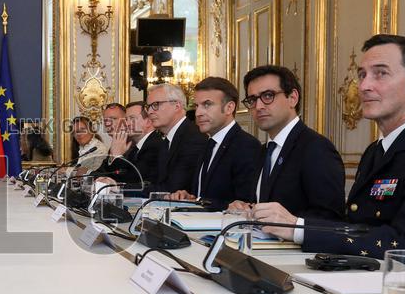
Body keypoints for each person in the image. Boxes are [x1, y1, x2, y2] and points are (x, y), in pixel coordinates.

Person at [260, 34, 405, 279]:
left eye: (380, 73)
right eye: (362, 75)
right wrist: (293, 225)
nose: (363, 86)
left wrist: (298, 228)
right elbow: (357, 227)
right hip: (370, 279)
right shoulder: (376, 151)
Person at [228, 65, 345, 220]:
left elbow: (330, 217)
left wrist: (291, 224)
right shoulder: (263, 151)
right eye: (252, 100)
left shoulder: (317, 148)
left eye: (268, 96)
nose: (259, 106)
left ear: (292, 98)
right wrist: (245, 207)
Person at [169, 77, 261, 209]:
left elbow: (244, 205)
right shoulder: (208, 143)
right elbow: (205, 194)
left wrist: (198, 201)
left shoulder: (246, 146)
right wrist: (189, 197)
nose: (198, 113)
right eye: (197, 106)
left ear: (229, 107)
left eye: (207, 104)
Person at [144, 82, 208, 193]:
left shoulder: (193, 138)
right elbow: (153, 181)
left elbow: (173, 189)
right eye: (148, 107)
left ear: (177, 106)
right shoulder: (167, 140)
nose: (149, 112)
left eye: (156, 105)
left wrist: (120, 189)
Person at [93, 101, 163, 188]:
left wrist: (117, 156)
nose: (127, 123)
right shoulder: (137, 147)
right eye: (126, 119)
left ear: (149, 121)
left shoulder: (155, 145)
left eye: (132, 118)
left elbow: (133, 180)